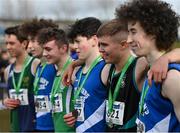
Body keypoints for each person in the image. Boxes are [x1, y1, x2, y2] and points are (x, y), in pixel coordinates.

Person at [116, 0, 180, 132]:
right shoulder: (151, 71)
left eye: (133, 32)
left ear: (153, 32)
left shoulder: (171, 78)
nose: (128, 40)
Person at [64, 17, 110, 132]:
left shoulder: (106, 68)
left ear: (94, 40)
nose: (74, 47)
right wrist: (75, 114)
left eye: (78, 41)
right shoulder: (78, 70)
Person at [20, 18, 58, 132]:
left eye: (33, 41)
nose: (29, 46)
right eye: (28, 41)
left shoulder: (56, 66)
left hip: (54, 127)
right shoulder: (39, 66)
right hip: (39, 126)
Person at [37, 27, 75, 132]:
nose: (44, 54)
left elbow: (89, 102)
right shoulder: (56, 71)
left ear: (63, 48)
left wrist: (76, 114)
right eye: (43, 49)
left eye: (48, 49)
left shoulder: (76, 70)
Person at [3, 25, 40, 132]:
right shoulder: (7, 71)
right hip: (15, 127)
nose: (8, 47)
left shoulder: (35, 64)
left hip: (34, 127)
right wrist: (5, 102)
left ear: (24, 43)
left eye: (12, 43)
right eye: (7, 43)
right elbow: (10, 98)